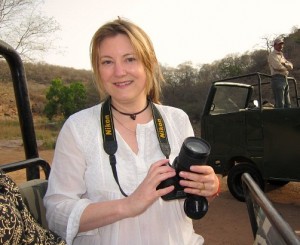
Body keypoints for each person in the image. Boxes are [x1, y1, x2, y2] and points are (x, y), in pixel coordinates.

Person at [43, 18, 220, 245]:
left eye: (129, 59)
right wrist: (128, 205)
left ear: (150, 63)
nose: (119, 71)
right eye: (107, 62)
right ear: (98, 70)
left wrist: (207, 188)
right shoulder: (78, 128)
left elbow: (191, 193)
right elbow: (57, 213)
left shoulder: (177, 119)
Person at [268, 37, 293, 108]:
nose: (281, 46)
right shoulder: (272, 55)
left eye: (282, 44)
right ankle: (280, 118)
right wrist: (286, 69)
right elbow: (277, 66)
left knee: (288, 104)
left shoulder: (281, 55)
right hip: (277, 79)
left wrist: (284, 64)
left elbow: (291, 66)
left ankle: (288, 118)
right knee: (280, 104)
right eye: (279, 44)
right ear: (275, 45)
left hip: (285, 79)